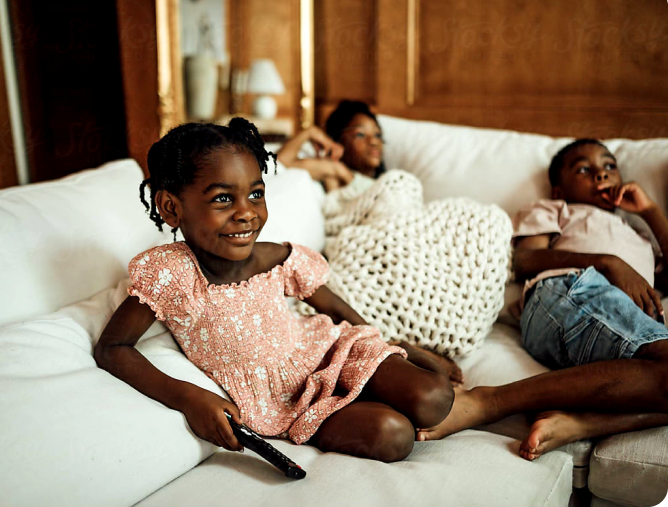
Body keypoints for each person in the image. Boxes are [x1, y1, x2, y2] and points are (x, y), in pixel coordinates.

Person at [94, 117, 457, 463]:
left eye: (255, 194)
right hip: (284, 405)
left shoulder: (272, 256)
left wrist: (382, 342)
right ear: (171, 208)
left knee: (435, 398)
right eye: (223, 198)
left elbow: (331, 305)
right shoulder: (171, 274)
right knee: (393, 436)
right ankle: (375, 396)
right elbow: (112, 349)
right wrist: (189, 398)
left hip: (329, 353)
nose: (246, 213)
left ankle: (405, 355)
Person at [416, 138, 668, 460]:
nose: (601, 175)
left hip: (625, 326)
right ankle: (488, 401)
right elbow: (523, 260)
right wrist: (607, 262)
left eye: (609, 166)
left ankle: (582, 422)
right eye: (584, 169)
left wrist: (650, 211)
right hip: (567, 293)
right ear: (559, 190)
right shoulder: (556, 210)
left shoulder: (637, 233)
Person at [275, 100, 385, 193]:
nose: (374, 141)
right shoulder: (333, 175)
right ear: (338, 142)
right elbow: (281, 162)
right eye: (360, 134)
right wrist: (310, 132)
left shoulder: (391, 182)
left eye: (377, 135)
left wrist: (343, 173)